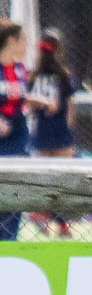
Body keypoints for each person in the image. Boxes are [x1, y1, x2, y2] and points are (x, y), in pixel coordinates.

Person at [0, 19, 51, 239]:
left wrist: (35, 100)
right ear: (12, 41)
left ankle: (10, 236)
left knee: (17, 184)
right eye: (24, 40)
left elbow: (16, 94)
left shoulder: (20, 68)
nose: (27, 46)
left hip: (18, 132)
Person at [28, 28, 77, 237]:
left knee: (43, 178)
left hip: (41, 132)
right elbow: (69, 107)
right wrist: (68, 130)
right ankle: (61, 222)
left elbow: (28, 106)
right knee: (62, 180)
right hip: (59, 132)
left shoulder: (32, 76)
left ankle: (40, 214)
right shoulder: (64, 75)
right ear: (58, 51)